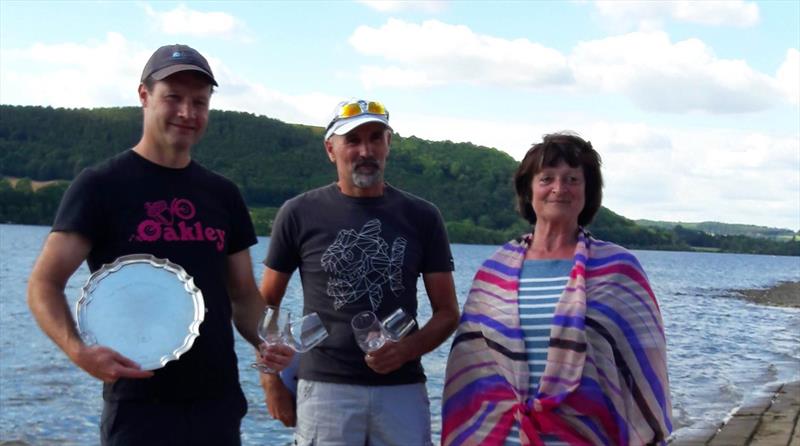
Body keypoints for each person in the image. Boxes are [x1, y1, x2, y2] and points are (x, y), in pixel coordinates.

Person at [26, 44, 289, 445]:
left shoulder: (223, 194)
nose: (187, 112)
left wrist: (271, 342)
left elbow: (243, 296)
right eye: (174, 98)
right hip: (138, 404)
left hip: (216, 402)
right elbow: (43, 284)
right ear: (144, 96)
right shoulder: (100, 186)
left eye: (199, 102)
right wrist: (78, 352)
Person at [441, 133, 672, 445]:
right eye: (547, 178)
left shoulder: (619, 269)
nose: (559, 189)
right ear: (529, 189)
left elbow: (645, 365)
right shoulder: (494, 272)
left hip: (589, 437)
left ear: (587, 192)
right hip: (502, 437)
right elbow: (470, 367)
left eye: (572, 179)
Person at [258, 98, 460, 445]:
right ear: (330, 149)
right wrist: (271, 381)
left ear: (388, 144)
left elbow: (447, 312)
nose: (365, 150)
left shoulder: (423, 216)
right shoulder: (298, 213)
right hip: (324, 389)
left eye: (375, 138)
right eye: (352, 141)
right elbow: (265, 305)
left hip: (402, 389)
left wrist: (407, 350)